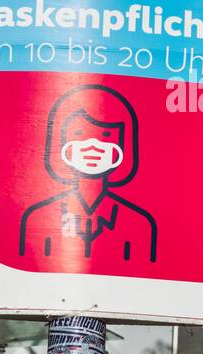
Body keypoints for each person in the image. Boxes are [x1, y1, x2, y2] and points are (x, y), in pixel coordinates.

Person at [19, 84, 157, 266]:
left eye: (106, 134)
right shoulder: (38, 219)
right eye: (79, 133)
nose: (93, 144)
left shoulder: (138, 225)